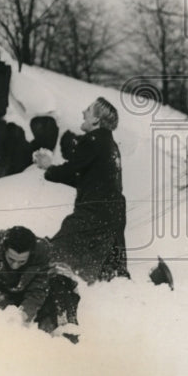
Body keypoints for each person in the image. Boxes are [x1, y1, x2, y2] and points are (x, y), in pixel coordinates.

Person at [34, 97, 130, 283]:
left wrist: (48, 167)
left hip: (94, 213)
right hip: (113, 214)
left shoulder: (93, 140)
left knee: (58, 252)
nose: (83, 113)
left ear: (96, 120)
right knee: (110, 270)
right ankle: (147, 290)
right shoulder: (109, 144)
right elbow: (86, 179)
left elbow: (72, 170)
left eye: (88, 110)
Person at [0, 226, 80, 340]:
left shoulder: (42, 251)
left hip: (23, 293)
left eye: (21, 261)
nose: (15, 265)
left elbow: (38, 290)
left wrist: (23, 315)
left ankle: (64, 332)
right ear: (4, 249)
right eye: (11, 259)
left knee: (62, 279)